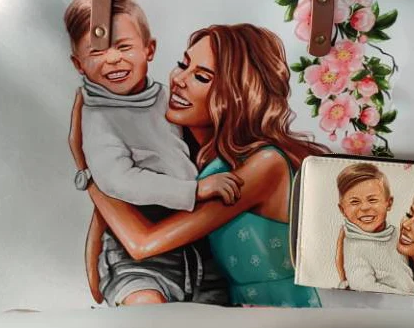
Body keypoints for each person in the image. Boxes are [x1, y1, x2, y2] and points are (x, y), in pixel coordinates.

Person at [70, 23, 328, 307]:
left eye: (201, 77)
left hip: (283, 312)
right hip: (235, 311)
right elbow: (98, 282)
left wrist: (87, 170)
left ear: (236, 95)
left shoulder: (263, 164)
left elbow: (142, 243)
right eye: (183, 64)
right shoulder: (192, 161)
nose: (179, 79)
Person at [64, 0, 236, 307]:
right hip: (136, 260)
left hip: (198, 252)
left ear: (150, 49)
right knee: (146, 306)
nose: (112, 59)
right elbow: (118, 180)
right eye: (96, 52)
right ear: (79, 64)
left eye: (123, 47)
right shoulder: (98, 115)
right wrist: (194, 190)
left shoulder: (167, 98)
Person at [334, 163, 414, 294]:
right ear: (342, 210)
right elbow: (363, 286)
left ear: (389, 203)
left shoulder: (397, 233)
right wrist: (411, 296)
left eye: (372, 200)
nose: (365, 207)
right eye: (354, 202)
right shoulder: (354, 245)